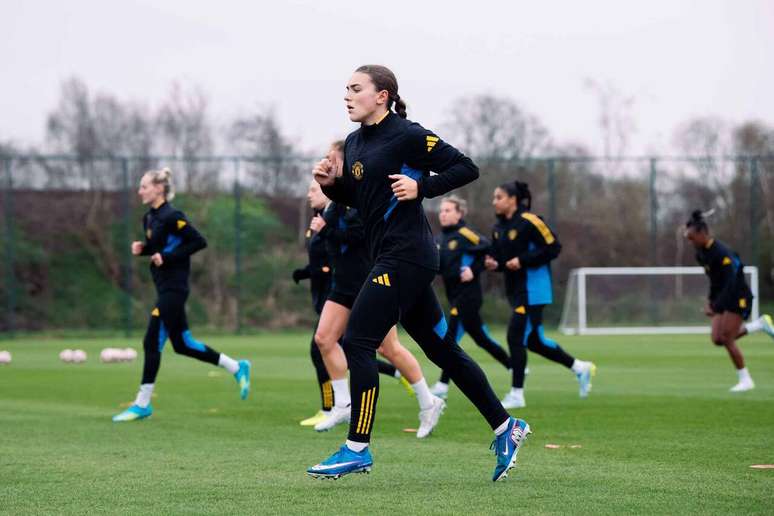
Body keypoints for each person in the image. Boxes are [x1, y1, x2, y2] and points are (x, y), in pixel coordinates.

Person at [308, 65, 529, 482]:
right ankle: (507, 427)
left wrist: (421, 188)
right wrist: (331, 185)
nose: (347, 96)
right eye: (346, 90)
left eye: (356, 89)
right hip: (390, 258)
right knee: (442, 351)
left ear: (383, 95)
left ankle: (357, 448)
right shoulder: (355, 143)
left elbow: (466, 167)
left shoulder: (407, 134)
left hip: (407, 256)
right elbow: (362, 199)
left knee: (357, 339)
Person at [311, 141, 446, 439]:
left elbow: (358, 234)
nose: (327, 161)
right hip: (343, 285)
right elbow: (330, 234)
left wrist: (327, 229)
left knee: (389, 348)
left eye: (331, 158)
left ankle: (429, 400)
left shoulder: (365, 192)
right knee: (324, 339)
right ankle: (343, 404)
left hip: (369, 280)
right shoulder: (339, 199)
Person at [112, 167, 250, 422]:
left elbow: (198, 242)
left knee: (151, 340)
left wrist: (166, 257)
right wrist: (144, 249)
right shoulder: (149, 218)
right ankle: (236, 366)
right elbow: (159, 248)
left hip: (175, 288)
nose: (139, 190)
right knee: (183, 345)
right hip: (163, 286)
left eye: (144, 186)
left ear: (158, 188)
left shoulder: (173, 215)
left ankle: (142, 403)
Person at [485, 180, 595, 409]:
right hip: (515, 291)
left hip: (534, 289)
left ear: (512, 199)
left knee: (515, 337)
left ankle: (517, 394)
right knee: (534, 341)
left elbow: (554, 247)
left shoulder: (531, 222)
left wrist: (522, 260)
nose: (494, 201)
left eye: (499, 197)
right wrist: (493, 263)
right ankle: (580, 368)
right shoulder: (498, 228)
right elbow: (501, 259)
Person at [431, 195, 511, 400]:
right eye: (441, 210)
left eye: (448, 210)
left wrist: (473, 271)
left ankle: (442, 384)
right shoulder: (440, 239)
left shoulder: (466, 234)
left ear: (460, 213)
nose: (443, 214)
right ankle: (513, 366)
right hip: (454, 295)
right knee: (481, 339)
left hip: (469, 296)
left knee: (449, 338)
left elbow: (488, 248)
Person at [685, 209, 774, 392]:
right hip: (723, 296)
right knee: (717, 339)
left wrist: (717, 305)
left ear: (702, 233)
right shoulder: (701, 254)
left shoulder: (721, 252)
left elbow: (731, 282)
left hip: (738, 295)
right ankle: (759, 325)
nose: (690, 242)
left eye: (692, 237)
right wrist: (711, 301)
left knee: (727, 338)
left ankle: (746, 380)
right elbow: (714, 280)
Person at [293, 180, 335, 426]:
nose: (308, 194)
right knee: (347, 352)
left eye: (313, 190)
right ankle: (401, 374)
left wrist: (320, 269)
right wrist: (307, 271)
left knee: (319, 350)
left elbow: (336, 257)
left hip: (338, 296)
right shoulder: (315, 221)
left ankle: (329, 409)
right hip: (322, 297)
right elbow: (320, 259)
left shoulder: (332, 218)